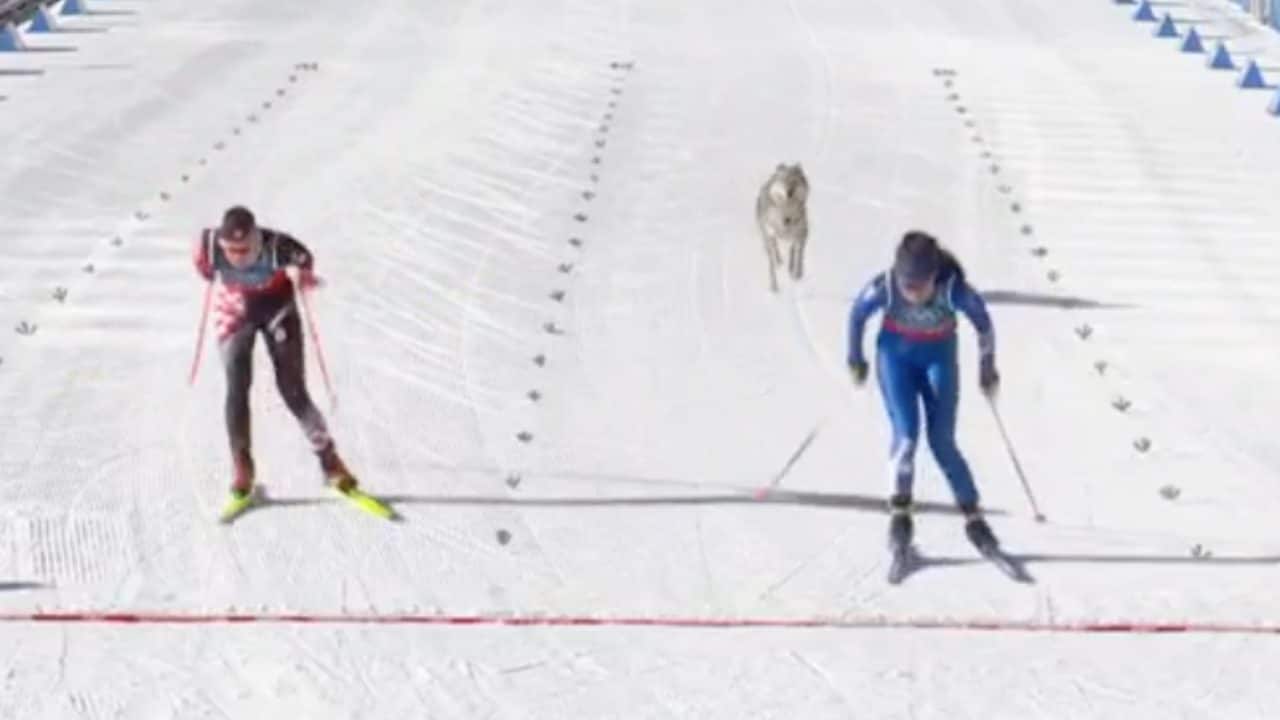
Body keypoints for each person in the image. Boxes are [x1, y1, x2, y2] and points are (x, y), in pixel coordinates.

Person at [192, 205, 363, 512]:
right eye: (230, 250)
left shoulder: (279, 247)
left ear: (256, 238)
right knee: (237, 383)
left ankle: (330, 462)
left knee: (292, 389)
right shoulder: (208, 246)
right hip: (235, 309)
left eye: (244, 249)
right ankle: (242, 469)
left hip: (277, 308)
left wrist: (304, 277)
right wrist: (205, 270)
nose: (237, 257)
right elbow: (201, 262)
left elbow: (305, 261)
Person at [846, 230, 1002, 553]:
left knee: (942, 441)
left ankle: (973, 516)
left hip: (937, 359)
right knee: (906, 437)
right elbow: (858, 315)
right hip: (896, 361)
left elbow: (984, 324)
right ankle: (900, 513)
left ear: (934, 275)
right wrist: (855, 359)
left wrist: (987, 366)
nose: (912, 293)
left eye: (919, 285)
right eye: (907, 285)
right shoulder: (886, 286)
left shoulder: (953, 289)